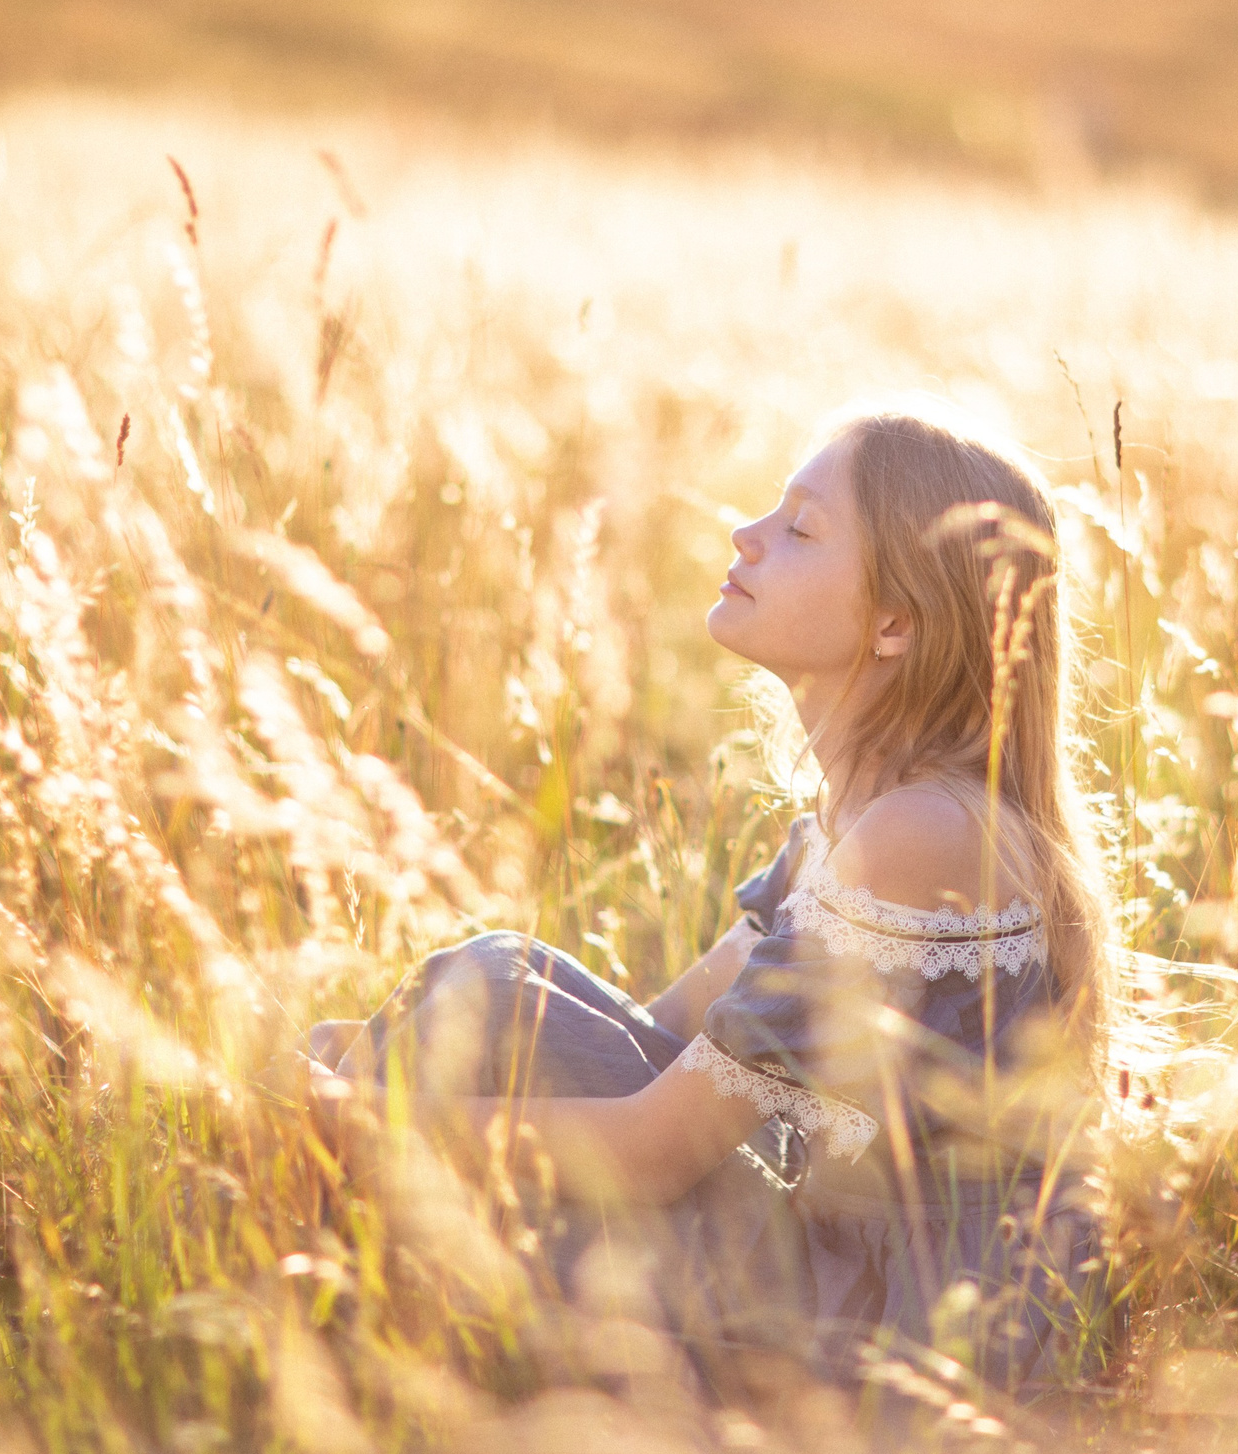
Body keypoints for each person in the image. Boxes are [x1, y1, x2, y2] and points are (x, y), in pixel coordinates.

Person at [305, 408, 1118, 1401]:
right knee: (493, 989)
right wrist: (374, 1065)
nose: (746, 535)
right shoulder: (855, 824)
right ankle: (354, 1330)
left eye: (801, 529)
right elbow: (661, 1036)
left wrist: (362, 1121)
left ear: (895, 623)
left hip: (899, 1336)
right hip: (814, 1239)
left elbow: (652, 1147)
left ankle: (336, 1341)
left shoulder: (922, 836)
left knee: (479, 1007)